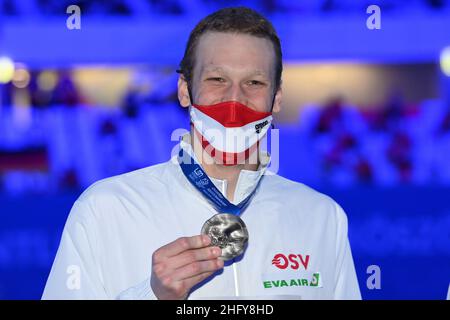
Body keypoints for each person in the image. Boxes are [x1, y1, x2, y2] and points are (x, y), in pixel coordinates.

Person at [42, 6, 361, 300]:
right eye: (217, 79)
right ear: (184, 90)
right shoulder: (105, 210)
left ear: (276, 98)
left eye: (253, 82)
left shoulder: (322, 217)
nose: (234, 99)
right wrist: (152, 296)